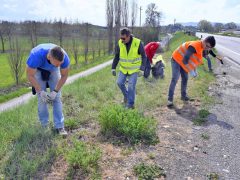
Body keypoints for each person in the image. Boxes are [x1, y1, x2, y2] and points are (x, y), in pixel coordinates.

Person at [26, 43, 70, 136]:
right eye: (57, 64)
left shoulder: (64, 58)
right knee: (42, 99)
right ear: (49, 57)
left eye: (60, 64)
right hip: (38, 69)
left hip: (53, 71)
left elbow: (64, 75)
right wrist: (40, 91)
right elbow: (30, 75)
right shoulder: (36, 56)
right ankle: (44, 125)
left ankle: (59, 126)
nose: (59, 66)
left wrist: (55, 91)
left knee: (57, 98)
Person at [167, 36, 216, 107]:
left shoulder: (202, 48)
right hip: (176, 59)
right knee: (175, 78)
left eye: (209, 47)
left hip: (183, 61)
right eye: (207, 46)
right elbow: (185, 60)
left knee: (185, 78)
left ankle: (183, 96)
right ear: (204, 41)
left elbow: (195, 60)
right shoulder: (194, 46)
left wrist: (194, 70)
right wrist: (191, 71)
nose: (207, 48)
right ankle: (170, 100)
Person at [111, 28, 147, 109]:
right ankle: (127, 96)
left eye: (123, 38)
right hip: (123, 69)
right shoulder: (120, 43)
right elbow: (117, 56)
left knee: (131, 85)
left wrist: (142, 69)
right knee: (119, 83)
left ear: (128, 36)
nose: (122, 40)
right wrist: (113, 68)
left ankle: (130, 104)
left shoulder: (137, 43)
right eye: (121, 38)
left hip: (134, 69)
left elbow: (144, 56)